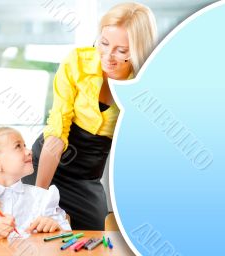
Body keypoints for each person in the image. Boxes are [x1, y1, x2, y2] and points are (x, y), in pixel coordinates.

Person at [22, 2, 157, 230]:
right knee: (33, 230)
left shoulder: (144, 87)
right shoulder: (77, 63)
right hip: (46, 164)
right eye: (103, 43)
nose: (108, 56)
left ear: (139, 50)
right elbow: (56, 132)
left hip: (86, 179)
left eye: (121, 51)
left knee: (94, 237)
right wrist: (39, 197)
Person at [0, 127, 71, 239]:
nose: (29, 151)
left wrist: (53, 226)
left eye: (25, 145)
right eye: (18, 146)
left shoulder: (42, 198)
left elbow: (67, 236)